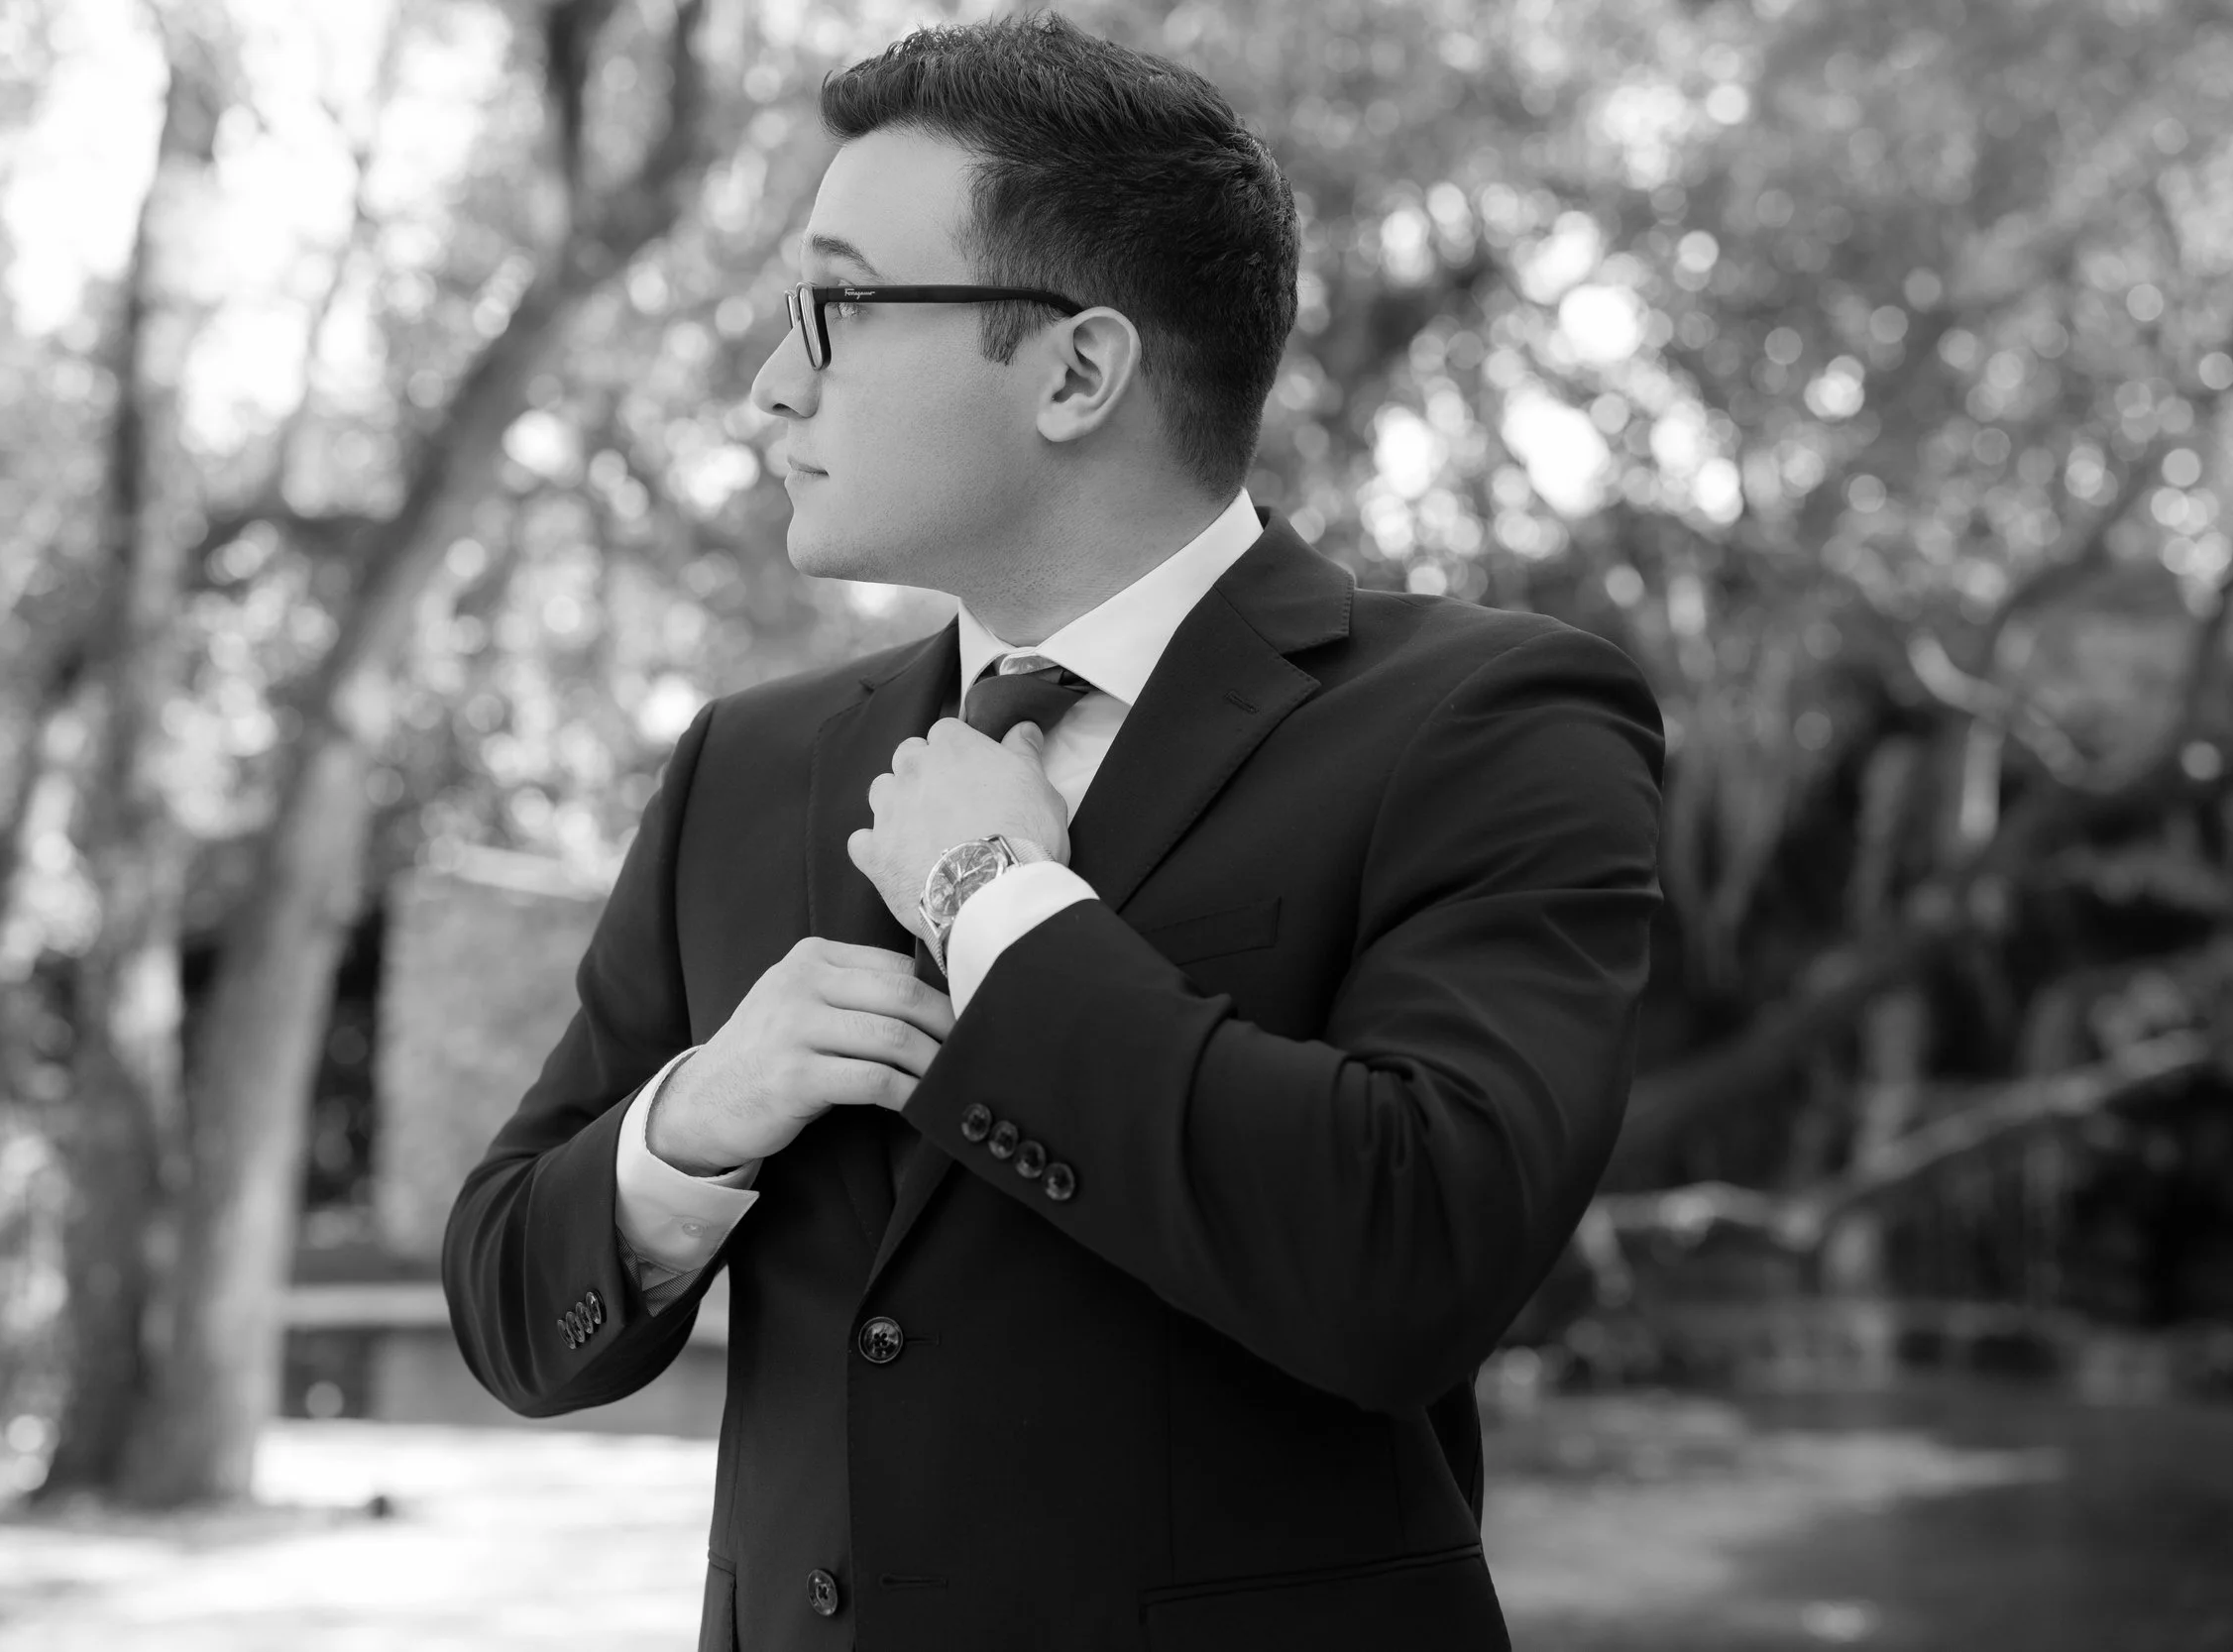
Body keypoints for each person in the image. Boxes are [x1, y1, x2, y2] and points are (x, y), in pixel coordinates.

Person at [442, 15, 1665, 1649]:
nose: (772, 381)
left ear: (1080, 370)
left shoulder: (1491, 721)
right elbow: (516, 1311)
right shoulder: (749, 764)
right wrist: (695, 1120)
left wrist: (997, 904)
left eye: (843, 304)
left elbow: (1414, 1257)